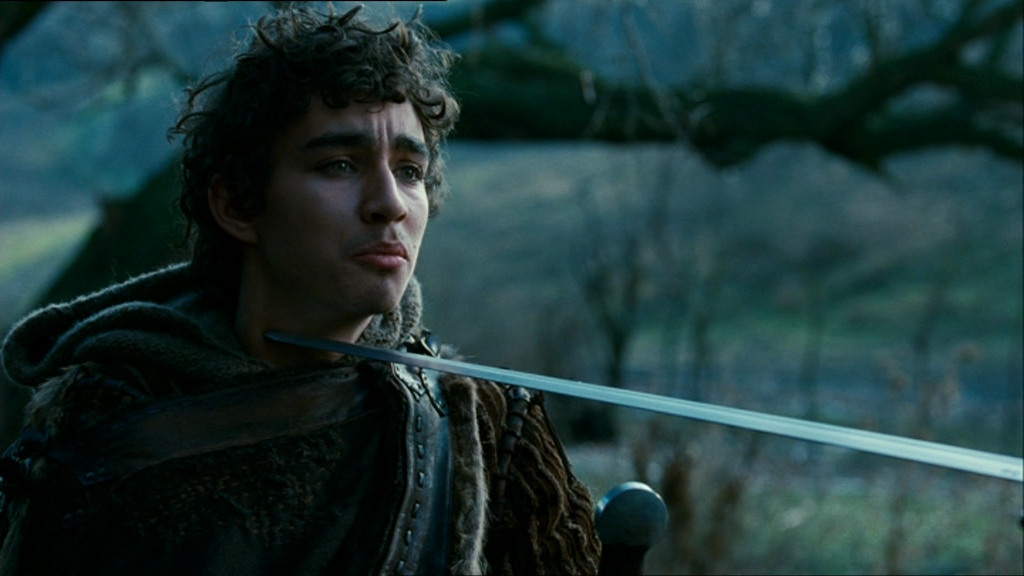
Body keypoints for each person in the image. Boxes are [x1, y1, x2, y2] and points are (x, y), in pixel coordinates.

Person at [0, 4, 602, 574]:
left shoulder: (488, 428)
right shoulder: (109, 419)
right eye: (339, 164)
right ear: (238, 203)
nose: (390, 204)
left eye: (410, 171)